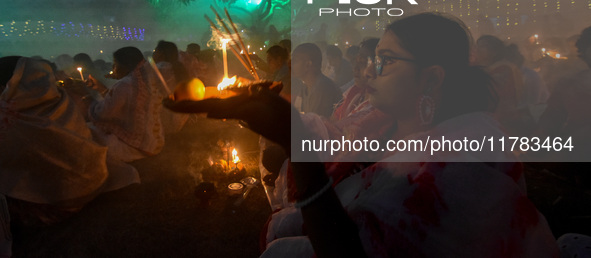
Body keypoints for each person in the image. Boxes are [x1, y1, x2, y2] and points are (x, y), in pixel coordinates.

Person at [165, 13, 558, 257]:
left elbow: (349, 252)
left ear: (432, 78)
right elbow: (340, 135)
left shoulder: (460, 160)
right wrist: (289, 121)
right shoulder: (389, 118)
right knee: (285, 231)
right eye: (371, 60)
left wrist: (295, 138)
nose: (368, 71)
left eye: (384, 61)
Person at [0, 56, 138, 247]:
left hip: (53, 205)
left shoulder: (11, 120)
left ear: (10, 85)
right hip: (89, 185)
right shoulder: (62, 102)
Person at [86, 47, 166, 162]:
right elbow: (121, 102)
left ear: (126, 65)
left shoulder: (125, 84)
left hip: (137, 148)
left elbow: (102, 114)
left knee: (89, 131)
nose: (113, 68)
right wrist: (101, 88)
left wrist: (85, 96)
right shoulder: (149, 77)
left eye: (115, 64)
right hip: (155, 142)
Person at [291, 43, 342, 118]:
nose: (290, 64)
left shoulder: (324, 89)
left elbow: (316, 126)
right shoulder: (306, 87)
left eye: (294, 60)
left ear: (308, 64)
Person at [152, 40, 191, 134]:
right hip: (181, 118)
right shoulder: (179, 68)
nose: (153, 54)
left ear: (161, 53)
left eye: (155, 51)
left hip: (164, 120)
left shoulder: (158, 69)